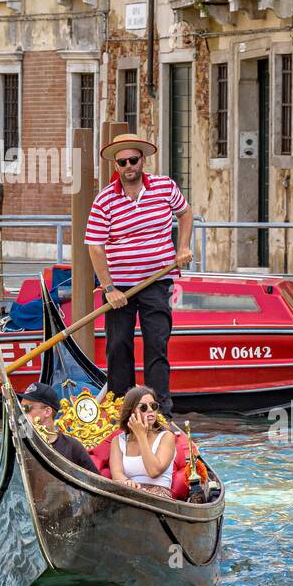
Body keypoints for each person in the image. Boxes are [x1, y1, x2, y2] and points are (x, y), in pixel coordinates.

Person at [85, 132, 193, 415]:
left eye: (133, 159)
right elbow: (95, 246)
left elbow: (185, 213)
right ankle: (123, 408)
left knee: (156, 343)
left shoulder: (164, 187)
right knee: (118, 346)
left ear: (142, 160)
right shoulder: (105, 200)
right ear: (116, 167)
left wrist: (182, 248)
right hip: (120, 286)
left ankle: (160, 410)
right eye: (122, 162)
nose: (128, 166)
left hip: (158, 280)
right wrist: (109, 289)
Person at [0, 382, 97, 489]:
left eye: (26, 408)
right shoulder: (16, 440)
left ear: (47, 411)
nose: (21, 412)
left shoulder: (72, 446)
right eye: (21, 408)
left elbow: (97, 482)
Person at [109, 386, 177, 499]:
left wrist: (141, 435)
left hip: (159, 498)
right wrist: (126, 481)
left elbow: (154, 471)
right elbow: (117, 474)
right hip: (129, 493)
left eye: (153, 406)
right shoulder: (118, 441)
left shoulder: (166, 437)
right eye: (144, 407)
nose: (150, 410)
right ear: (131, 412)